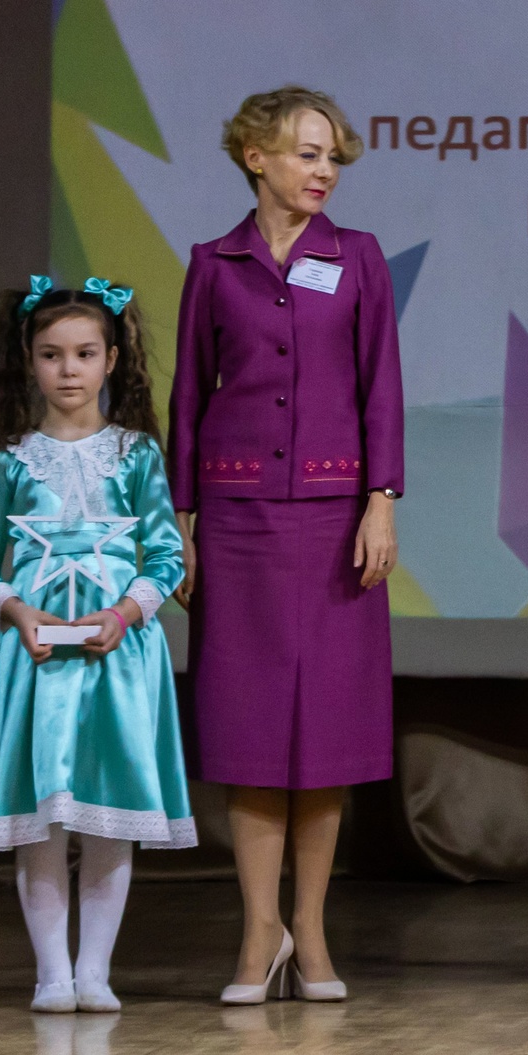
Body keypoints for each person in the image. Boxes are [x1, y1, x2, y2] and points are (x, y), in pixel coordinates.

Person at [170, 86, 404, 1005]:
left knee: (328, 728)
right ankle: (258, 931)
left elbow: (381, 383)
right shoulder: (213, 264)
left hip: (336, 515)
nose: (324, 171)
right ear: (255, 157)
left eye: (333, 156)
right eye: (308, 153)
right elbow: (189, 396)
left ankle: (311, 929)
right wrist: (182, 519)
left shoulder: (358, 258)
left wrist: (380, 500)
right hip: (236, 520)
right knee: (250, 726)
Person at [0, 277, 194, 1012]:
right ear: (29, 361)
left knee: (105, 813)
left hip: (115, 657)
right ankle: (50, 975)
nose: (69, 369)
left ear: (112, 359)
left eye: (86, 353)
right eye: (52, 354)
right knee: (42, 818)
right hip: (34, 658)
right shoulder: (13, 460)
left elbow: (167, 556)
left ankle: (94, 971)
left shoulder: (136, 455)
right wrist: (15, 609)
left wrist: (125, 613)